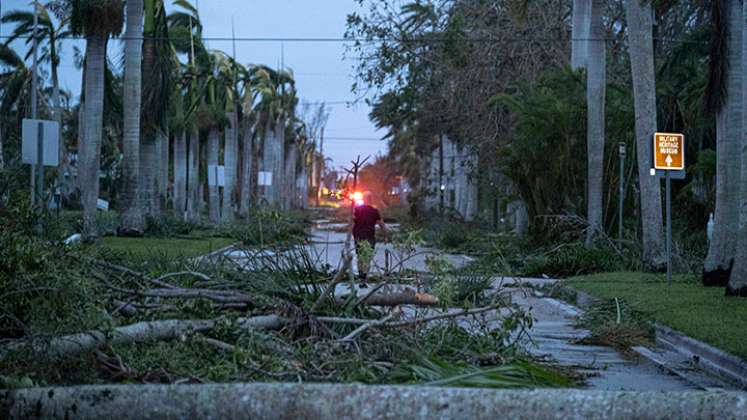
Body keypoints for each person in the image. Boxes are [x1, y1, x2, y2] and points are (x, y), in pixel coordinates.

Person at [353, 191, 388, 280]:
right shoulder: (374, 211)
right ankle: (364, 275)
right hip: (369, 236)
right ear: (371, 199)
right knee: (367, 256)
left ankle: (361, 274)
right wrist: (386, 236)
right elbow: (382, 224)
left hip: (358, 236)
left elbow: (352, 222)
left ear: (364, 199)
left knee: (360, 256)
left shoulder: (357, 210)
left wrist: (350, 235)